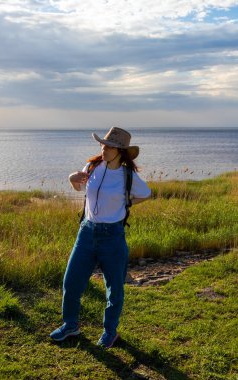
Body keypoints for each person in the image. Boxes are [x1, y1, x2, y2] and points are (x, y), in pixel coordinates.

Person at [50, 127, 151, 348]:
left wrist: (126, 203)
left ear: (120, 151)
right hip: (86, 232)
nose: (103, 148)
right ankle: (70, 325)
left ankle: (110, 331)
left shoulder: (127, 175)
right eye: (102, 144)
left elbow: (146, 194)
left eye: (108, 146)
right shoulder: (92, 166)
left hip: (113, 236)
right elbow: (79, 188)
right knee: (71, 281)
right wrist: (71, 178)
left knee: (114, 288)